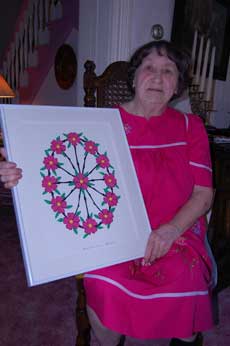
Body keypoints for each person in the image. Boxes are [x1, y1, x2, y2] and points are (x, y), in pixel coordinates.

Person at [0, 40, 214, 346]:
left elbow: (204, 193)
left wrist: (170, 230)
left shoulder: (190, 127)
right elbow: (61, 171)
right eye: (149, 68)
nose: (157, 77)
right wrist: (19, 172)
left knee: (181, 276)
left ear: (178, 84)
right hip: (112, 233)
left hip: (175, 231)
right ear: (134, 76)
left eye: (168, 71)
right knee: (106, 281)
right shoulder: (100, 125)